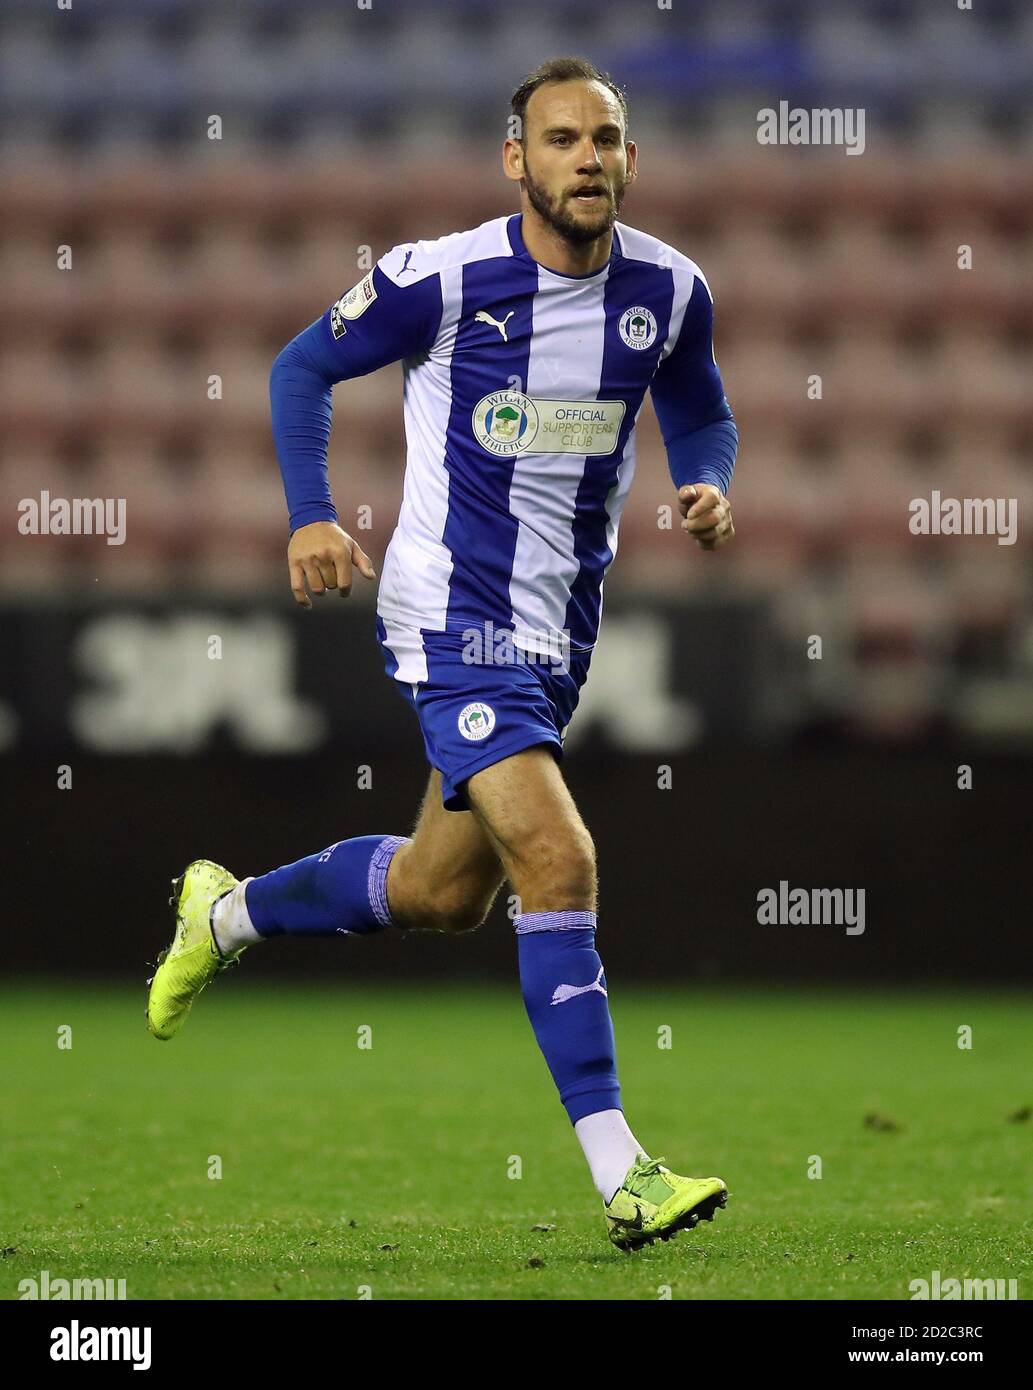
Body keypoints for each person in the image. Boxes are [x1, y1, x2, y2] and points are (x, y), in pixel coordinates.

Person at [147, 56, 737, 1252]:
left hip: (557, 632)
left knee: (441, 892)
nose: (588, 158)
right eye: (561, 139)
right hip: (449, 615)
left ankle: (225, 916)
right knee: (558, 858)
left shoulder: (671, 292)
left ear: (632, 158)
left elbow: (701, 403)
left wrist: (707, 480)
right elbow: (300, 365)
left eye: (606, 139)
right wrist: (312, 512)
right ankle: (624, 1174)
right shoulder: (442, 277)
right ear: (514, 159)